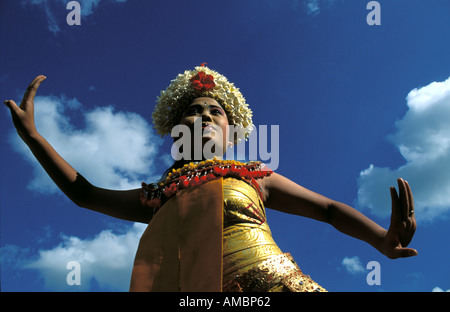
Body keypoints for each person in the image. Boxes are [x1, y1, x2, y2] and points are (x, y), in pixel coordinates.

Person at [4, 65, 417, 292]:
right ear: (176, 127)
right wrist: (34, 139)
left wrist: (380, 239)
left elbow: (327, 209)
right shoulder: (158, 196)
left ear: (230, 131)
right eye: (195, 109)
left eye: (214, 111)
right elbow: (85, 194)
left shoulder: (255, 176)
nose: (204, 115)